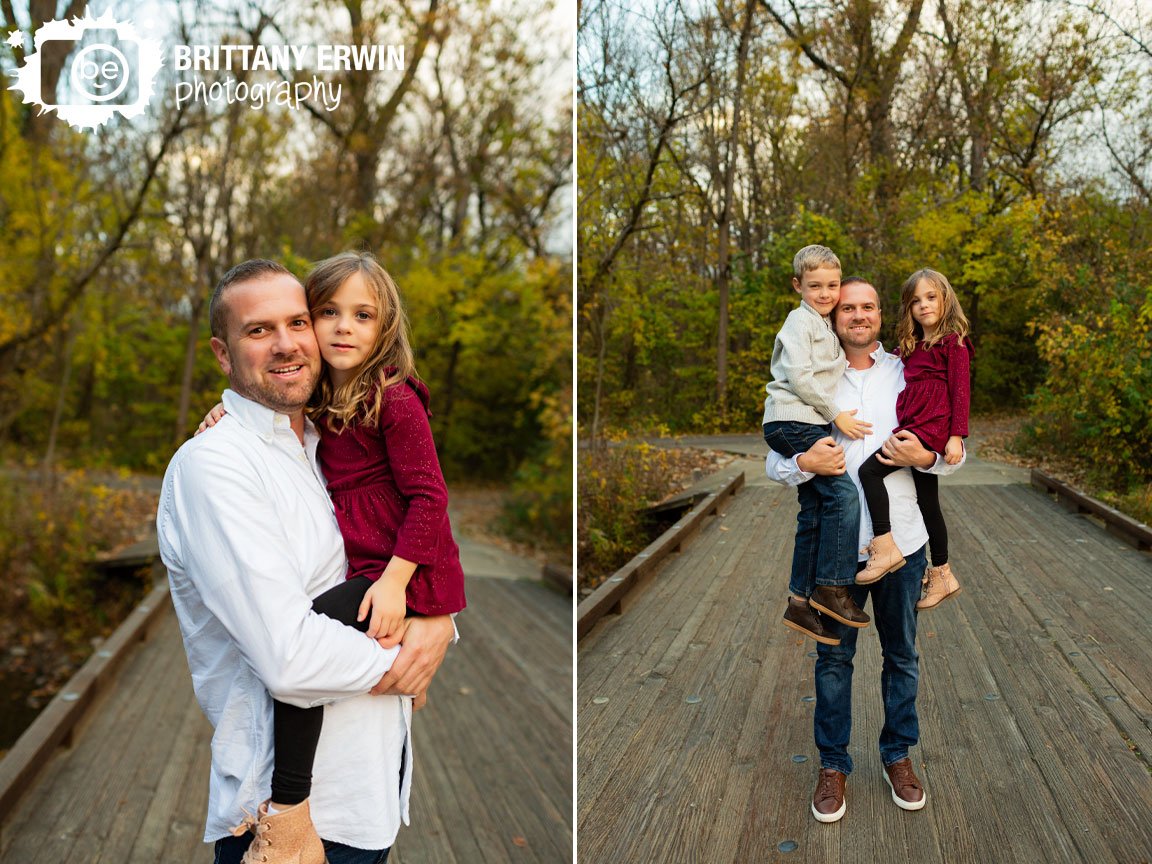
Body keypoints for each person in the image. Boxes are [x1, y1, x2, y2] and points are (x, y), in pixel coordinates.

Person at [157, 259, 456, 864]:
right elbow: (289, 660)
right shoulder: (216, 465)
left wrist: (438, 619)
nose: (289, 343)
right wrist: (411, 655)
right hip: (284, 819)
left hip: (368, 794)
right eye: (259, 330)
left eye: (297, 321)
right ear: (222, 354)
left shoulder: (331, 438)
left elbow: (409, 526)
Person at [766, 277, 964, 824]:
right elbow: (774, 460)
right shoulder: (807, 375)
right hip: (837, 553)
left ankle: (897, 754)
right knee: (832, 659)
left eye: (868, 306)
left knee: (902, 656)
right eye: (848, 306)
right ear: (833, 313)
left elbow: (952, 450)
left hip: (903, 541)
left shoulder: (911, 367)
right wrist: (802, 464)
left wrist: (927, 458)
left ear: (882, 314)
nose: (858, 315)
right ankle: (833, 765)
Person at [762, 245, 873, 646]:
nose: (825, 293)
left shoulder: (824, 325)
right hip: (793, 418)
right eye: (815, 286)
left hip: (801, 420)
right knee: (843, 496)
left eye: (832, 285)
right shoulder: (800, 320)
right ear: (798, 286)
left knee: (813, 512)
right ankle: (831, 586)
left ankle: (798, 602)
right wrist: (838, 414)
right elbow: (801, 378)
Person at [855, 269, 972, 608]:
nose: (924, 305)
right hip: (915, 423)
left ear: (946, 299)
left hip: (929, 428)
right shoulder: (911, 347)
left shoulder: (954, 344)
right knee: (927, 501)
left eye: (931, 297)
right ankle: (942, 573)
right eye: (916, 301)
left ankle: (885, 544)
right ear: (908, 308)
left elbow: (960, 393)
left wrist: (955, 437)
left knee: (869, 472)